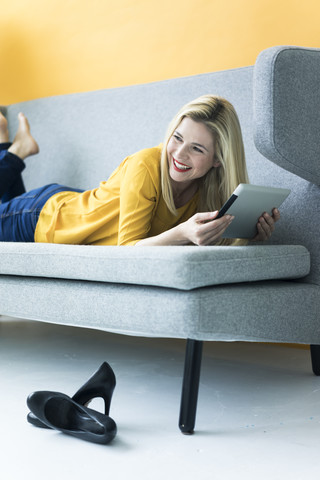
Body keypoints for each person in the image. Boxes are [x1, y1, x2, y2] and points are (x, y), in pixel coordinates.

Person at [0, 95, 280, 246]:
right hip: (46, 216)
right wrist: (182, 233)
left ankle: (8, 146)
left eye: (197, 149)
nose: (179, 155)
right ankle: (15, 151)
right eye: (177, 138)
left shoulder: (208, 190)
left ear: (218, 160)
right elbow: (129, 254)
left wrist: (250, 235)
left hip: (85, 206)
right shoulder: (146, 164)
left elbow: (210, 243)